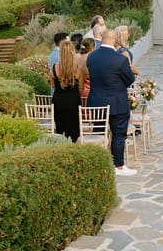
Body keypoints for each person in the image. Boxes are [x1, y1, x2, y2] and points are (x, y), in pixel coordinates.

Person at [86, 28, 137, 176]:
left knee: (99, 132)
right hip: (117, 103)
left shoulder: (91, 57)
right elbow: (130, 79)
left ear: (102, 38)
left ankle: (99, 165)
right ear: (114, 40)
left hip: (96, 102)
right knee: (119, 134)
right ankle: (118, 166)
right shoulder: (120, 59)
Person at [49, 39, 81, 141]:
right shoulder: (77, 69)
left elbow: (53, 85)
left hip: (59, 101)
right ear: (73, 52)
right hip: (73, 101)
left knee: (60, 129)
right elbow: (81, 87)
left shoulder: (54, 68)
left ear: (61, 52)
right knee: (74, 129)